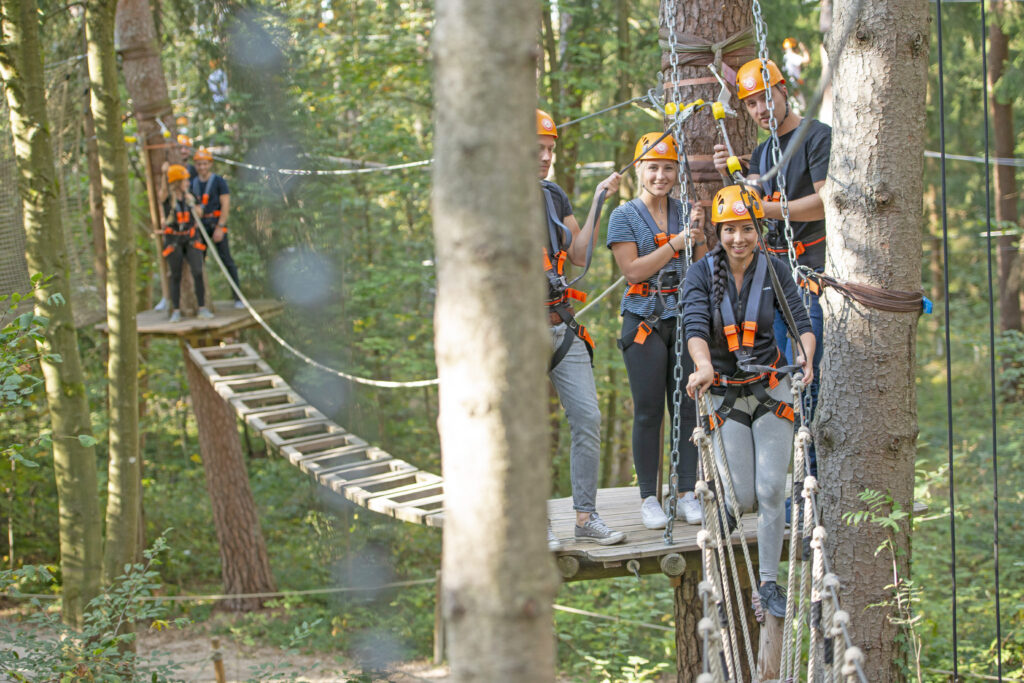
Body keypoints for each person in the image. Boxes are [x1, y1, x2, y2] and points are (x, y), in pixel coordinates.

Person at [682, 183, 815, 621]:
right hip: (723, 391)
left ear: (759, 230)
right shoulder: (700, 274)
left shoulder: (774, 269)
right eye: (730, 230)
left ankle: (768, 584)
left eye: (747, 229)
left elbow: (799, 320)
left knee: (771, 489)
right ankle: (721, 574)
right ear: (718, 232)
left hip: (770, 387)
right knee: (739, 496)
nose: (738, 239)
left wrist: (806, 355)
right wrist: (703, 365)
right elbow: (695, 327)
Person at [712, 57, 830, 478]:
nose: (761, 109)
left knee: (806, 373)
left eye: (766, 98)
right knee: (777, 375)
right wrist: (734, 175)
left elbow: (824, 201)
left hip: (809, 273)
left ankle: (811, 475)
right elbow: (756, 204)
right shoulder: (763, 151)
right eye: (751, 104)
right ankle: (790, 477)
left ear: (783, 90)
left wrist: (768, 209)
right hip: (775, 278)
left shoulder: (815, 136)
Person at [606, 133, 707, 530]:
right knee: (648, 411)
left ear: (677, 172)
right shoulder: (624, 216)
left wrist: (698, 238)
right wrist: (677, 244)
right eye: (653, 168)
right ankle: (649, 496)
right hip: (644, 318)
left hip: (682, 316)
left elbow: (701, 266)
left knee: (686, 407)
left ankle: (685, 492)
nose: (660, 176)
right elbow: (633, 271)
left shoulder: (686, 212)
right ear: (640, 170)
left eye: (668, 168)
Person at [537, 109, 626, 549]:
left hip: (560, 324)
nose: (546, 157)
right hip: (521, 332)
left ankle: (585, 516)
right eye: (537, 148)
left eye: (550, 149)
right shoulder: (496, 199)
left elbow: (577, 253)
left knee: (588, 419)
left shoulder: (553, 196)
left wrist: (597, 201)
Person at [161, 165, 214, 322]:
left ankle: (202, 308)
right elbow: (163, 191)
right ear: (177, 182)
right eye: (184, 180)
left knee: (197, 271)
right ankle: (176, 310)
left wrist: (193, 204)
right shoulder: (168, 198)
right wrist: (164, 174)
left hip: (191, 239)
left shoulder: (190, 196)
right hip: (174, 241)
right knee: (175, 275)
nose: (188, 183)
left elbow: (200, 213)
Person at [192, 147, 243, 308]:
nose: (202, 167)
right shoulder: (193, 183)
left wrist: (220, 226)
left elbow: (225, 204)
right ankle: (201, 302)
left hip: (216, 225)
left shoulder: (219, 181)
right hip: (201, 227)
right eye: (199, 164)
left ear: (210, 164)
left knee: (227, 260)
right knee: (198, 263)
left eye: (205, 163)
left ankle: (238, 297)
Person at [781, 38, 811, 112]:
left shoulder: (785, 57)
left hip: (788, 85)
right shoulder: (792, 56)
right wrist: (804, 49)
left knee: (793, 107)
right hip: (793, 85)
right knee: (800, 106)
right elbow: (807, 59)